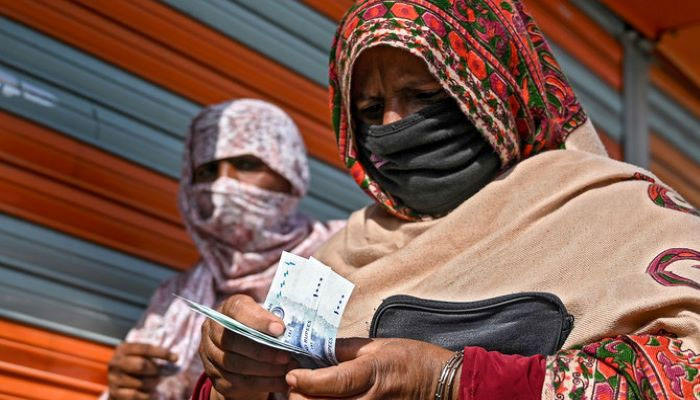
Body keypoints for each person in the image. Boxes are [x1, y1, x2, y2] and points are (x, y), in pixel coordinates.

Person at [194, 1, 700, 399]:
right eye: (370, 108)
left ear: (498, 90)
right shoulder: (344, 255)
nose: (392, 126)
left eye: (424, 95)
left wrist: (452, 381)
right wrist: (234, 378)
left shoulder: (615, 214)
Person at [103, 99, 345, 400]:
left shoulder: (345, 253)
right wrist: (126, 389)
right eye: (207, 171)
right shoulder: (175, 297)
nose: (223, 184)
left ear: (290, 171)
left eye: (246, 164)